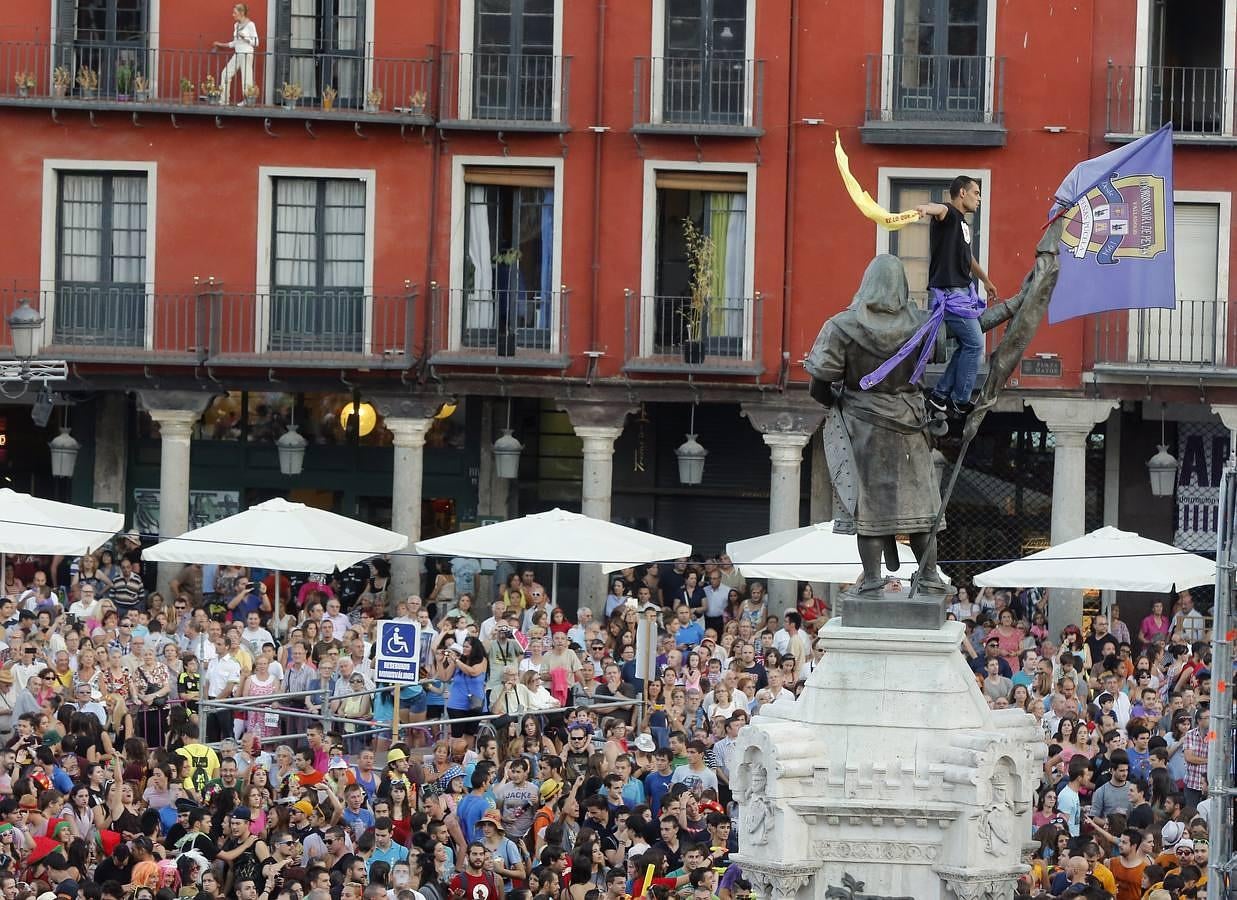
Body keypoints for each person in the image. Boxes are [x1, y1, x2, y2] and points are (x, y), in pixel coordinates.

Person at [915, 176, 998, 417]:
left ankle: (940, 396)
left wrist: (985, 280)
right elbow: (938, 209)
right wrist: (926, 208)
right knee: (975, 344)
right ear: (962, 193)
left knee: (967, 345)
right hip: (950, 295)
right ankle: (960, 400)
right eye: (976, 192)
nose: (979, 197)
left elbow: (967, 257)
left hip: (961, 292)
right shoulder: (949, 213)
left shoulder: (962, 224)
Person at [214, 3, 260, 105]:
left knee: (246, 78)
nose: (233, 15)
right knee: (225, 73)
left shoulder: (250, 25)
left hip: (246, 53)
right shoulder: (236, 25)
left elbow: (256, 42)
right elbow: (235, 43)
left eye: (235, 13)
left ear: (242, 13)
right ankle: (224, 100)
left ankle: (247, 101)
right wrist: (221, 44)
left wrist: (245, 38)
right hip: (238, 53)